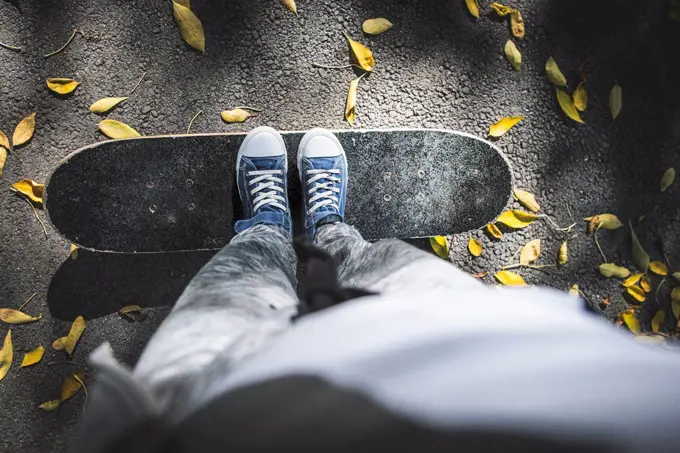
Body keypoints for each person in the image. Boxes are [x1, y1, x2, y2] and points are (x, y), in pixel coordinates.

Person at [71, 127, 680, 453]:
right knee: (371, 261)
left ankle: (265, 228)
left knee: (244, 280)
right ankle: (330, 225)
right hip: (481, 341)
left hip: (215, 406)